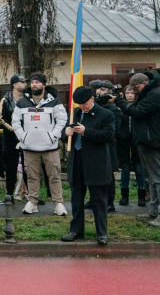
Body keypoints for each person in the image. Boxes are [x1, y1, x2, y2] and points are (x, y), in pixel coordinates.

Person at [62, 85, 116, 245]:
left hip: (96, 162)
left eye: (84, 103)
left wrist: (86, 131)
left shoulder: (106, 114)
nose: (81, 107)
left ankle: (102, 232)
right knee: (76, 198)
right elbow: (67, 137)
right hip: (77, 160)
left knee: (98, 199)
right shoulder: (75, 113)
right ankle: (76, 230)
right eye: (79, 104)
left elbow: (109, 136)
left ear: (92, 99)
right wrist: (66, 134)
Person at [12, 73, 68, 216]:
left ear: (43, 84)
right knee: (32, 176)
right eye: (32, 82)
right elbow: (15, 121)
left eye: (37, 82)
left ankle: (58, 204)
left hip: (50, 147)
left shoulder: (54, 101)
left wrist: (53, 136)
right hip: (29, 147)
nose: (34, 85)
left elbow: (62, 120)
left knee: (54, 176)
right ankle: (32, 202)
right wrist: (22, 137)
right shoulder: (22, 102)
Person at [115, 70, 160, 226]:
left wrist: (119, 102)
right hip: (149, 141)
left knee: (157, 179)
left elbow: (138, 112)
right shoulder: (150, 92)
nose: (134, 92)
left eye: (136, 88)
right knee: (153, 179)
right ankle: (153, 211)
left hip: (153, 141)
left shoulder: (154, 94)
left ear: (144, 83)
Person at [90, 79, 121, 212]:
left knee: (108, 175)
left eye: (103, 89)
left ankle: (109, 202)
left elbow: (116, 130)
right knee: (92, 173)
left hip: (108, 146)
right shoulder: (92, 106)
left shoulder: (114, 109)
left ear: (109, 92)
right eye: (98, 89)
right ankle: (93, 200)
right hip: (93, 145)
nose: (99, 91)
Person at [117, 84, 148, 207]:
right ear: (124, 94)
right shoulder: (120, 107)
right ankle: (124, 196)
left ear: (136, 94)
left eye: (132, 93)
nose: (130, 95)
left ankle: (141, 196)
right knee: (125, 170)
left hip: (137, 142)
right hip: (124, 143)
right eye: (127, 93)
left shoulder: (139, 106)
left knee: (139, 170)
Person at [0, 75, 25, 199]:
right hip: (11, 138)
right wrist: (13, 129)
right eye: (22, 82)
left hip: (26, 137)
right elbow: (0, 118)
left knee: (29, 166)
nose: (25, 84)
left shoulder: (28, 99)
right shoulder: (5, 99)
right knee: (11, 167)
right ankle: (9, 193)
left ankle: (31, 195)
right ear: (14, 84)